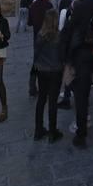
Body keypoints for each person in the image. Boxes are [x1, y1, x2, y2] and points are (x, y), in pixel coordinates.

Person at [64, 0, 93, 148]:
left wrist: (67, 57)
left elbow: (70, 31)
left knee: (82, 93)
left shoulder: (79, 7)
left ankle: (81, 133)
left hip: (83, 53)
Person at [33, 8, 65, 142]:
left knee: (41, 99)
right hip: (55, 71)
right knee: (52, 101)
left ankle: (38, 130)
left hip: (42, 70)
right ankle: (52, 132)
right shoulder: (59, 36)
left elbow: (36, 53)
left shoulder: (40, 35)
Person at [28, 0, 53, 96]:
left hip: (37, 38)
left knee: (37, 61)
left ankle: (32, 86)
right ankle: (46, 87)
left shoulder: (33, 6)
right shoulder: (49, 6)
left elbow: (29, 22)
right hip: (48, 37)